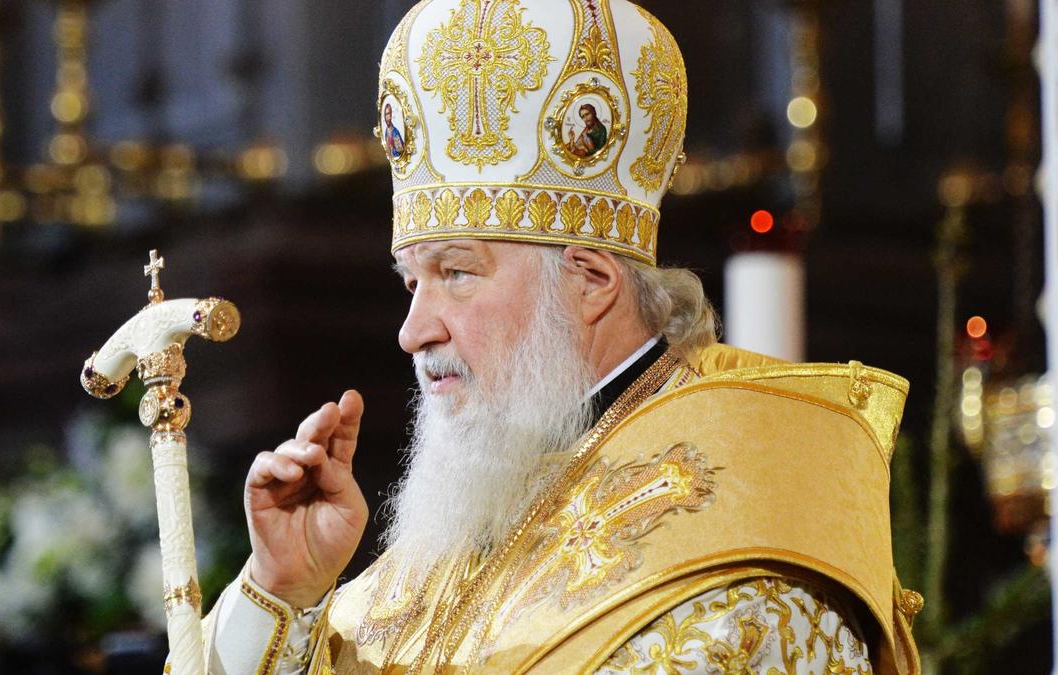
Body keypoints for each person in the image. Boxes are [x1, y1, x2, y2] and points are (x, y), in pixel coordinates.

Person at [186, 0, 923, 672]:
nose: (413, 331)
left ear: (591, 282)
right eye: (413, 281)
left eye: (457, 272)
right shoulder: (461, 527)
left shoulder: (744, 569)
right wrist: (286, 591)